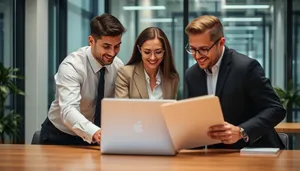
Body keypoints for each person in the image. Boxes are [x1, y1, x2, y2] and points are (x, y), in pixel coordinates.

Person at [184, 15, 286, 149]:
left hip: (254, 152)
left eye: (203, 49)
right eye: (192, 49)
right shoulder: (192, 75)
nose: (197, 56)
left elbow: (276, 109)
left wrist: (241, 131)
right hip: (216, 156)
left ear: (221, 42)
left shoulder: (246, 68)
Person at [40, 14, 126, 145]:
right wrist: (96, 132)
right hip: (59, 135)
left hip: (94, 136)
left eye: (117, 46)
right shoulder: (72, 66)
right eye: (106, 46)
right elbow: (68, 110)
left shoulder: (118, 66)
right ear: (91, 41)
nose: (112, 53)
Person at [115, 27, 179, 99]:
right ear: (140, 49)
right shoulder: (126, 74)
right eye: (147, 52)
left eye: (158, 52)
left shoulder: (172, 78)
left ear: (165, 51)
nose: (152, 57)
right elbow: (122, 108)